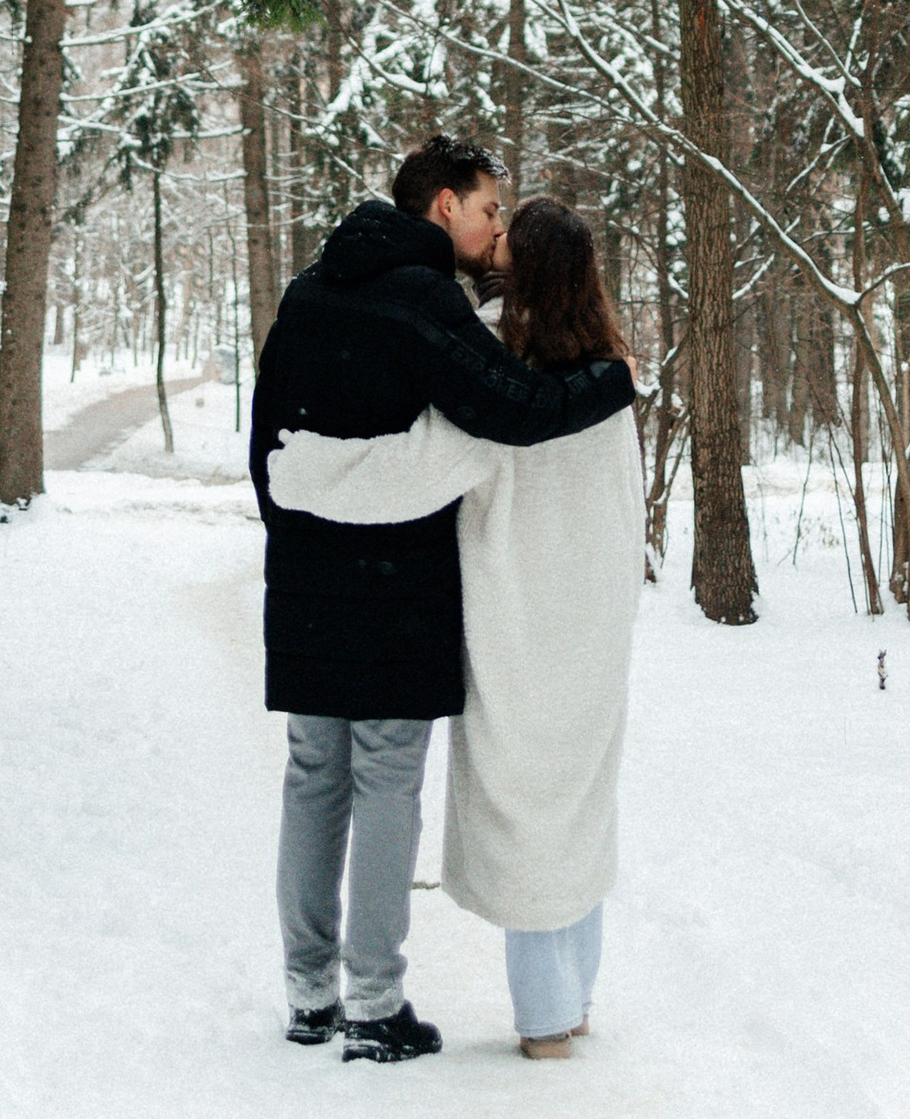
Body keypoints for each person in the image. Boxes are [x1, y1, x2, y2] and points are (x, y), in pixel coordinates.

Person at [249, 139, 636, 1064]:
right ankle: (374, 1004)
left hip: (308, 581)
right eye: (489, 208)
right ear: (444, 208)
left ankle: (310, 993)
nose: (496, 227)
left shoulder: (308, 289)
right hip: (396, 588)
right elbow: (506, 410)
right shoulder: (427, 300)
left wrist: (288, 518)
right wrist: (610, 379)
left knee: (312, 779)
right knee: (384, 782)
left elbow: (265, 435)